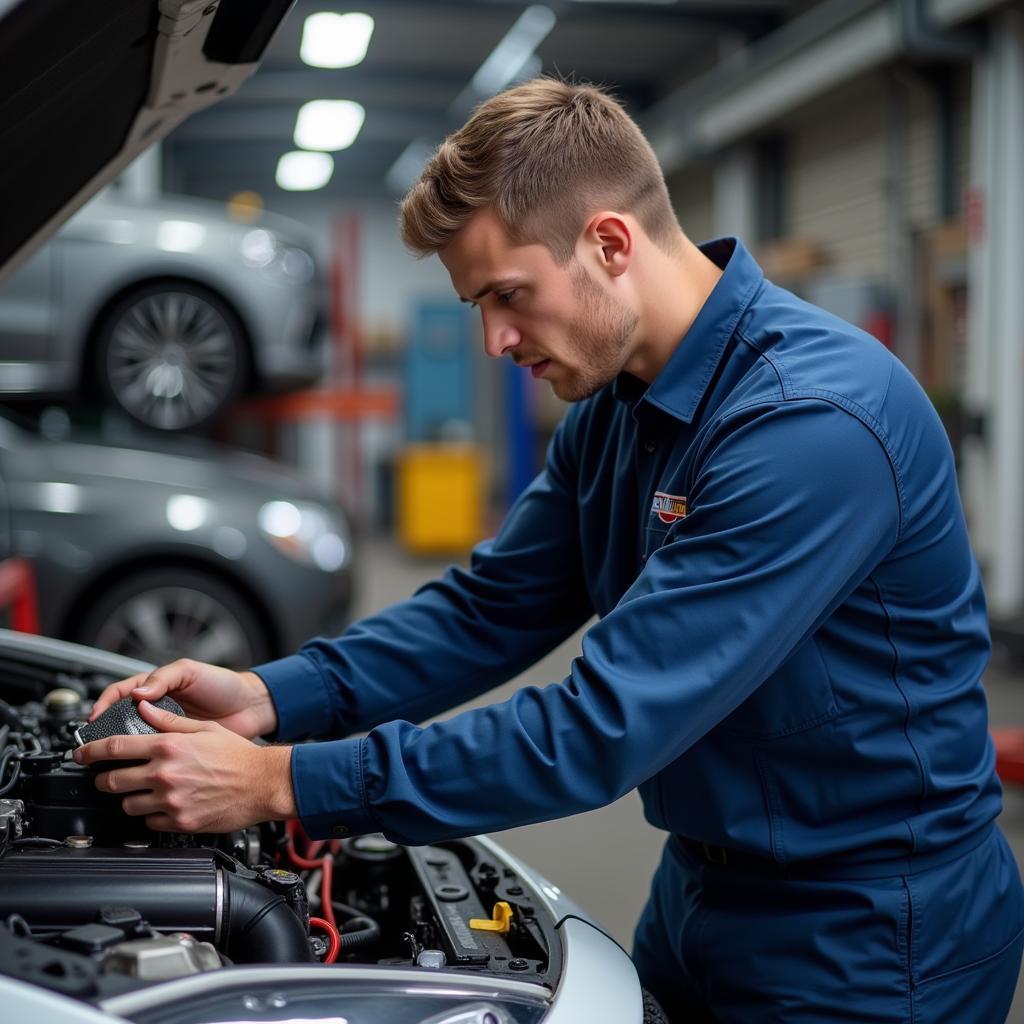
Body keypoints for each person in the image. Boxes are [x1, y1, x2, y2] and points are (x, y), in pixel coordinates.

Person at [80, 79, 1024, 1022]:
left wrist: (285, 783)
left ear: (610, 244)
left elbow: (600, 727)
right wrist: (275, 696)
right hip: (701, 889)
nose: (494, 339)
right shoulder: (619, 409)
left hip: (869, 931)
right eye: (477, 306)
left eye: (509, 295)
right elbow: (492, 606)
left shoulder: (809, 428)